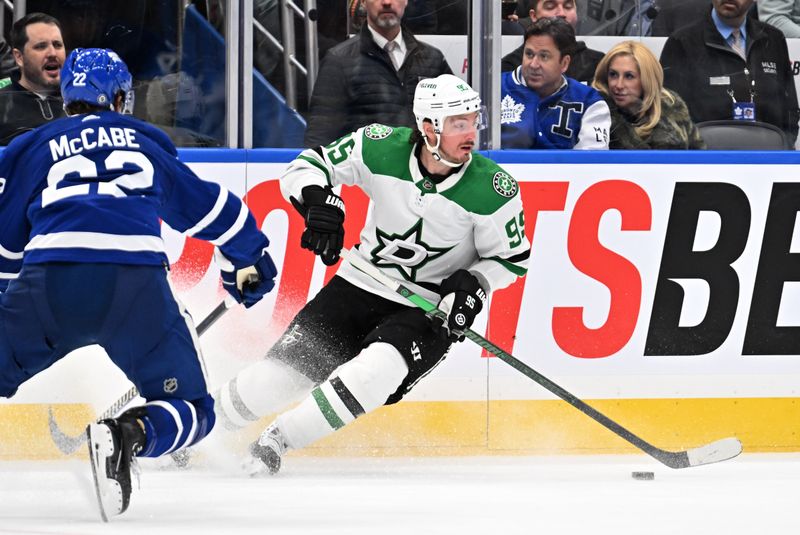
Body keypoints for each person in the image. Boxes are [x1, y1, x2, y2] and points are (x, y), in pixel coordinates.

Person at [0, 48, 277, 520]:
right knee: (193, 408)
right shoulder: (145, 142)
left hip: (50, 285)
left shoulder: (36, 145)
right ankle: (128, 436)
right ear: (121, 97)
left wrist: (12, 312)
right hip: (135, 288)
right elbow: (218, 211)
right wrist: (249, 261)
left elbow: (6, 246)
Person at [213, 74, 531, 475]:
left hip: (426, 310)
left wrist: (475, 285)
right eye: (458, 123)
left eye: (473, 121)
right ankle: (194, 431)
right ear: (429, 128)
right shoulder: (378, 145)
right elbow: (306, 166)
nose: (471, 134)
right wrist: (316, 201)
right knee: (272, 381)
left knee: (376, 372)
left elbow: (510, 259)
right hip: (359, 285)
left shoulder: (493, 189)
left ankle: (277, 440)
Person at [303, 0, 452, 147]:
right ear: (363, 2)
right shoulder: (339, 60)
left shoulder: (433, 58)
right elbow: (319, 139)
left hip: (422, 169)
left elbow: (457, 123)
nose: (387, 2)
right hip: (364, 170)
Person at [660, 0, 800, 146]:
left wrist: (783, 151)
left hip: (769, 159)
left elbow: (790, 111)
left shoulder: (773, 39)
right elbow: (669, 118)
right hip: (705, 162)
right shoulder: (682, 42)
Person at [500, 17, 610, 149]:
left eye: (544, 56)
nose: (534, 64)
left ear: (564, 63)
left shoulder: (589, 101)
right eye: (529, 54)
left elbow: (591, 163)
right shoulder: (495, 90)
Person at [592, 41, 705, 149]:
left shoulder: (672, 106)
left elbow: (699, 159)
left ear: (647, 80)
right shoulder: (596, 111)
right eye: (613, 74)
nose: (619, 85)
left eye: (629, 76)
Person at [0, 13, 67, 144]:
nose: (52, 53)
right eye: (41, 46)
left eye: (57, 45)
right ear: (19, 57)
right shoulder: (2, 104)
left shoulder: (83, 101)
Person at [501, 0, 605, 83]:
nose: (561, 13)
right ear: (533, 16)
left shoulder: (598, 64)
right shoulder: (510, 66)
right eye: (550, 6)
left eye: (568, 6)